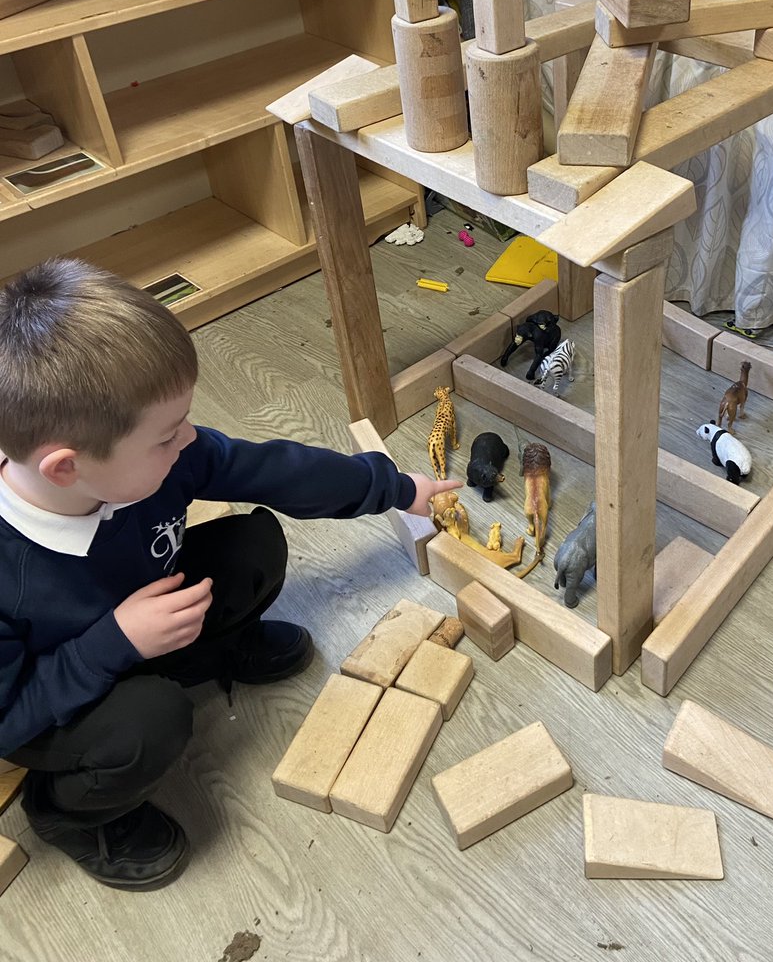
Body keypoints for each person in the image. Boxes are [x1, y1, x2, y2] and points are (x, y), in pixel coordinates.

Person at [0, 257, 458, 891]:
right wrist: (113, 644)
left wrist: (393, 486)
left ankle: (202, 656)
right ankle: (73, 816)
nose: (188, 439)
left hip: (142, 617)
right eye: (165, 437)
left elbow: (273, 470)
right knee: (151, 721)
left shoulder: (156, 458)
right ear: (65, 469)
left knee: (254, 543)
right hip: (54, 697)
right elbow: (8, 718)